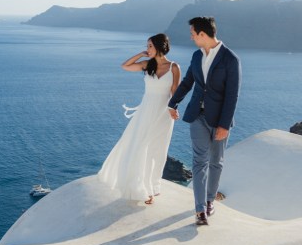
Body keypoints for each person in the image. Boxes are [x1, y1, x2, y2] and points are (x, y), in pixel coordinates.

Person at [168, 17, 241, 226]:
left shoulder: (230, 59)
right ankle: (200, 210)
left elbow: (232, 96)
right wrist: (173, 104)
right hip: (197, 117)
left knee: (216, 162)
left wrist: (224, 126)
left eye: (193, 34)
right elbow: (187, 82)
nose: (191, 37)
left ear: (202, 34)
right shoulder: (196, 56)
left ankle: (210, 200)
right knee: (199, 162)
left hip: (219, 120)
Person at [98, 33, 181, 204]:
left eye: (150, 46)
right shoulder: (146, 65)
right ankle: (141, 187)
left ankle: (151, 189)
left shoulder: (174, 67)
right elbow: (125, 66)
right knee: (139, 147)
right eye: (147, 46)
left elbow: (175, 93)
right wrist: (141, 54)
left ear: (159, 46)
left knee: (156, 151)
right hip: (145, 112)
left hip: (163, 115)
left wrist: (174, 109)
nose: (147, 48)